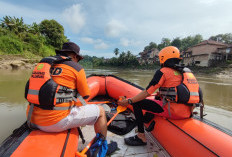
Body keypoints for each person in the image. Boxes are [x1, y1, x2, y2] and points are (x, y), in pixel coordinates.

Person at [118, 46, 201, 146]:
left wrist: (129, 101)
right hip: (188, 112)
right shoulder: (184, 72)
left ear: (163, 58)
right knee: (157, 98)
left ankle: (141, 136)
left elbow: (147, 93)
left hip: (174, 112)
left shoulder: (163, 72)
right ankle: (148, 118)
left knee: (137, 103)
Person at [25, 42, 107, 139]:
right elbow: (85, 96)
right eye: (78, 60)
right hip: (54, 122)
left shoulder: (43, 64)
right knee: (101, 111)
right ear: (75, 56)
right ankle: (101, 146)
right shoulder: (76, 68)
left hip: (31, 118)